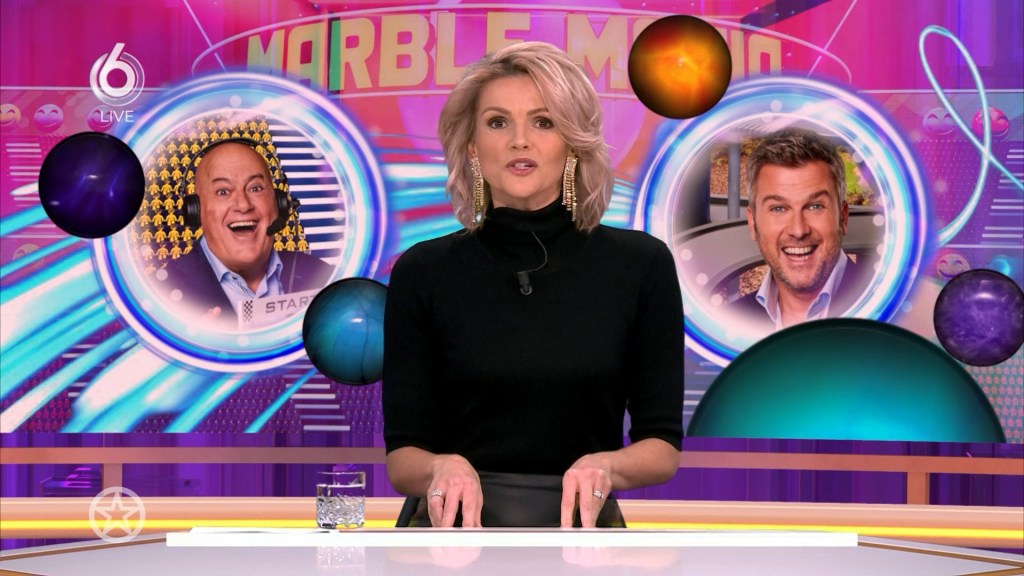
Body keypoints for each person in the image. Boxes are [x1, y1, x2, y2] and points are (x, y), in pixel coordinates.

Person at [382, 42, 684, 528]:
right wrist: (441, 467)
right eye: (498, 122)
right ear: (472, 147)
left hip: (582, 535)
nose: (519, 141)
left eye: (543, 122)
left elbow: (662, 448)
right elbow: (402, 459)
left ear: (573, 143)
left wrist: (606, 466)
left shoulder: (640, 265)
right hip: (452, 536)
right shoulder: (423, 271)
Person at [158, 139, 333, 329]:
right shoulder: (161, 294)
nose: (243, 205)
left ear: (279, 204)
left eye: (255, 188)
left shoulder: (324, 278)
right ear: (195, 210)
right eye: (223, 192)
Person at [731, 128, 872, 330]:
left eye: (815, 206)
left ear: (842, 217)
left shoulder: (894, 313)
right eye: (778, 208)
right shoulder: (729, 323)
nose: (798, 230)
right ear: (753, 223)